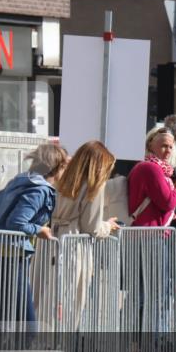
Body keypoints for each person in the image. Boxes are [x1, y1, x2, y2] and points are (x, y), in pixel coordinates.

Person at [0, 143, 69, 332]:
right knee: (27, 326)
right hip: (12, 259)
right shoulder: (39, 189)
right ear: (58, 167)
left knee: (0, 318)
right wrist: (39, 230)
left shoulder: (21, 181)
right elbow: (17, 223)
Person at [127, 128, 176, 352]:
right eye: (163, 145)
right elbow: (168, 201)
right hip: (148, 237)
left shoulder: (160, 170)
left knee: (154, 293)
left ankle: (149, 342)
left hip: (155, 235)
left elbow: (168, 204)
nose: (168, 150)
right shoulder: (149, 168)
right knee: (151, 294)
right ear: (150, 145)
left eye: (170, 146)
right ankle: (147, 344)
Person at [49, 140, 121, 330]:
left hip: (50, 241)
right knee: (70, 301)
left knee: (46, 298)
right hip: (73, 244)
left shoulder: (61, 178)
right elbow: (92, 226)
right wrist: (108, 226)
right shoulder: (93, 186)